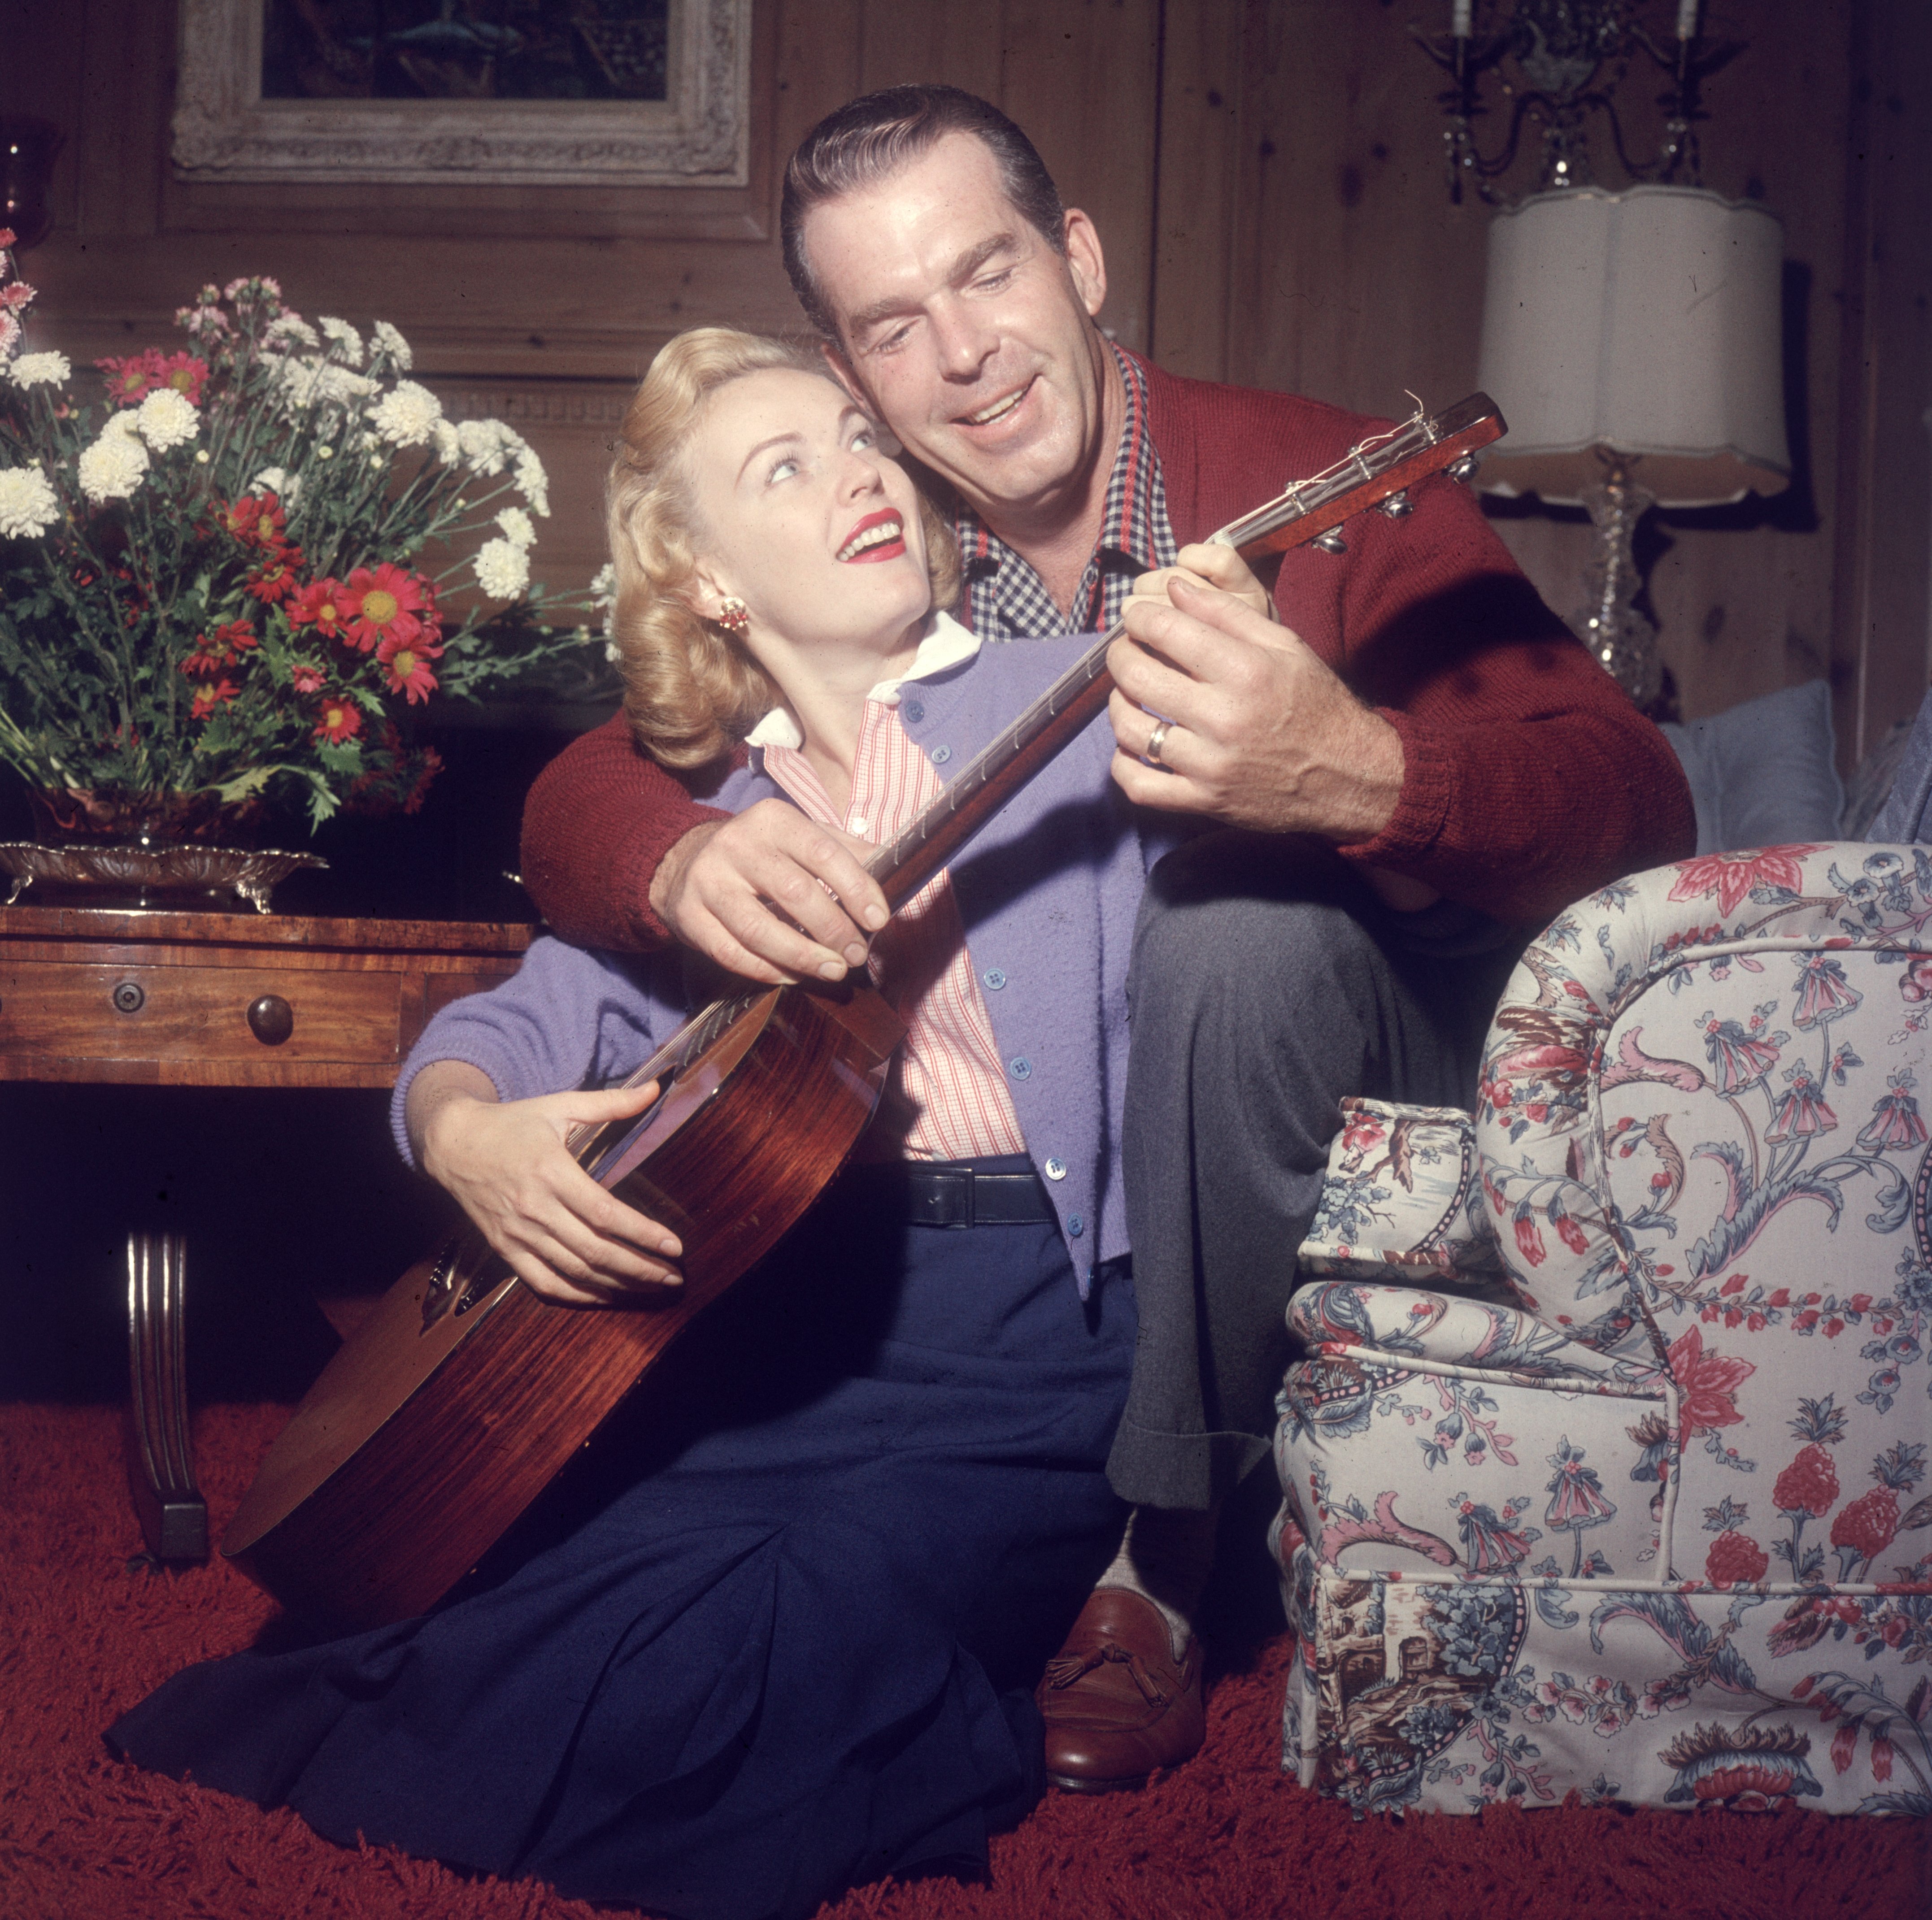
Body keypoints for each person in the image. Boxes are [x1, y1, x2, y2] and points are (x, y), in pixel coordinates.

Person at [514, 88, 1698, 1790]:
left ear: (1077, 260)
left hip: (1404, 1018)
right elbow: (597, 772)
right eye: (893, 327)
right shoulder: (893, 558)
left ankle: (1163, 1545)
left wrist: (1355, 770)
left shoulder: (1326, 483)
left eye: (988, 274)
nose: (969, 360)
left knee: (1229, 924)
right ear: (850, 375)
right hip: (1028, 1210)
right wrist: (674, 868)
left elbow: (1637, 804)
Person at [109, 328, 1215, 1916]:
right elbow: (487, 1036)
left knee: (777, 1618)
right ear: (708, 584)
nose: (858, 474)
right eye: (787, 468)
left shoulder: (1084, 703)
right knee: (507, 1604)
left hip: (1046, 1342)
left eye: (856, 436)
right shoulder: (702, 829)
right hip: (797, 1332)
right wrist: (470, 1137)